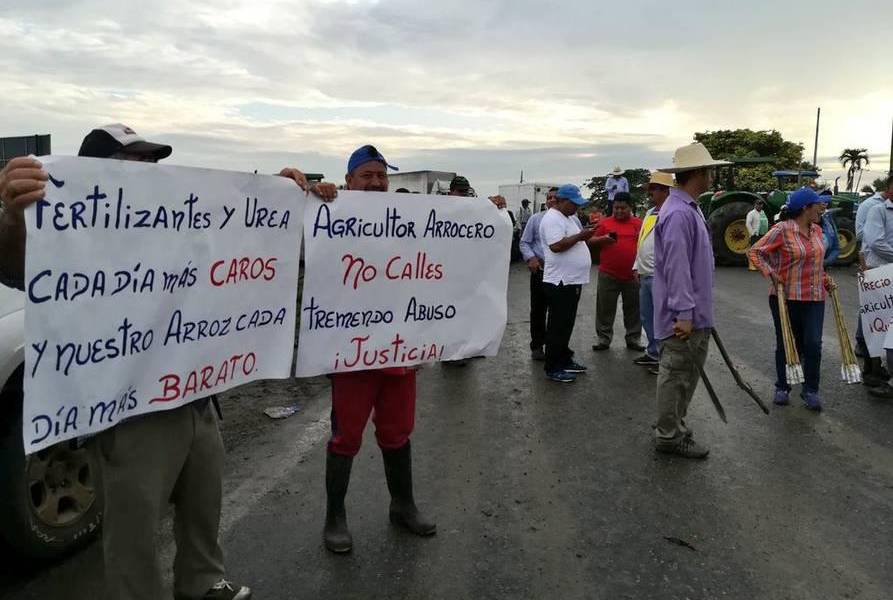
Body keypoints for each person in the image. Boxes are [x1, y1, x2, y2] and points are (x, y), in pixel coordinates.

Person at [0, 123, 333, 600]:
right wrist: (14, 214)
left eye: (153, 162)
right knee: (133, 526)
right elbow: (15, 267)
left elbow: (242, 249)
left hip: (196, 395)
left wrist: (280, 198)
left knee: (204, 499)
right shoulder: (70, 222)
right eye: (137, 162)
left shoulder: (173, 219)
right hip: (130, 408)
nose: (151, 172)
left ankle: (201, 582)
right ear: (97, 171)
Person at [322, 144, 436, 554]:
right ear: (349, 180)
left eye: (382, 176)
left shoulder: (404, 221)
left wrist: (489, 215)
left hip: (398, 350)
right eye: (367, 175)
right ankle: (334, 517)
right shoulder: (327, 215)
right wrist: (305, 192)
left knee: (397, 430)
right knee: (345, 436)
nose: (375, 183)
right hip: (352, 353)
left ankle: (402, 505)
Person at [652, 143, 729, 459]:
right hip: (685, 316)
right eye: (709, 170)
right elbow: (677, 267)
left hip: (695, 312)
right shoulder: (679, 212)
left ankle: (673, 426)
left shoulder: (686, 208)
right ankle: (669, 435)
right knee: (677, 374)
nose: (711, 176)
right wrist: (684, 313)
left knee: (683, 376)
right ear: (698, 173)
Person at [749, 187, 832, 411]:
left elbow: (816, 262)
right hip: (786, 297)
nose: (821, 208)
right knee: (787, 344)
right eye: (818, 205)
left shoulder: (817, 230)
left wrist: (825, 278)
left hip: (814, 297)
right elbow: (755, 252)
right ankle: (783, 387)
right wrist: (770, 273)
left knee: (813, 344)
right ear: (806, 208)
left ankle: (811, 390)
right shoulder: (782, 230)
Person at [539, 184, 593, 383]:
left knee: (566, 323)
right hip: (560, 281)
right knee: (558, 326)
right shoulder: (552, 219)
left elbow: (574, 242)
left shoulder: (568, 217)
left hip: (571, 280)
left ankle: (564, 358)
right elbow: (556, 246)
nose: (576, 208)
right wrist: (581, 236)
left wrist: (587, 236)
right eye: (573, 204)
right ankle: (553, 366)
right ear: (561, 201)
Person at [590, 192, 643, 352]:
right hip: (608, 274)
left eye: (623, 208)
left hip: (632, 275)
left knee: (633, 309)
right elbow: (591, 240)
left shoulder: (638, 224)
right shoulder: (604, 223)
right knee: (605, 308)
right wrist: (602, 239)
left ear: (630, 207)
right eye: (616, 208)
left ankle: (633, 338)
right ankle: (603, 339)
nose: (619, 211)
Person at [632, 172, 674, 371]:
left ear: (665, 190)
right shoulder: (650, 213)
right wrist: (636, 266)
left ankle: (664, 358)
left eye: (653, 189)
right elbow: (642, 240)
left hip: (660, 275)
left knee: (662, 318)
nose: (650, 193)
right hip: (645, 273)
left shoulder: (673, 213)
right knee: (647, 317)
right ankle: (653, 352)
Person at [859, 177, 893, 397]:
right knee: (876, 324)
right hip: (878, 274)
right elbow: (875, 243)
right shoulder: (878, 211)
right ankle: (873, 371)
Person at [519, 187, 559, 360]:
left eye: (555, 198)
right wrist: (530, 258)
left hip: (561, 274)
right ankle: (537, 346)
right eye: (549, 197)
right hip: (540, 272)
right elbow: (524, 242)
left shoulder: (572, 220)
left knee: (559, 312)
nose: (551, 200)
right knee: (538, 311)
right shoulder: (536, 219)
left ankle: (556, 346)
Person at [745, 199, 769, 271]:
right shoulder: (751, 213)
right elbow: (748, 223)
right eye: (758, 204)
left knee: (761, 251)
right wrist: (752, 232)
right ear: (755, 205)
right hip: (755, 235)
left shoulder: (763, 212)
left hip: (762, 234)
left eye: (761, 204)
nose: (760, 206)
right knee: (754, 251)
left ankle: (759, 265)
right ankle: (752, 266)